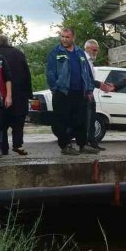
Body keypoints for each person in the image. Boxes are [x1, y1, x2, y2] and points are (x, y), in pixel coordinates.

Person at [45, 28, 99, 156]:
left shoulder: (80, 52)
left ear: (73, 38)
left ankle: (82, 145)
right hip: (62, 92)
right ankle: (65, 146)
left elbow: (87, 72)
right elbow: (50, 73)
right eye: (62, 36)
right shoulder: (55, 52)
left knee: (80, 120)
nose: (64, 39)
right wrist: (55, 88)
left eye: (67, 37)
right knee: (62, 121)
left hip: (79, 92)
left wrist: (89, 89)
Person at [0, 35, 32, 156]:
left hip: (0, 94)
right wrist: (29, 93)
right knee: (18, 121)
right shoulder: (18, 54)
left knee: (2, 123)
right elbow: (27, 74)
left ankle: (3, 147)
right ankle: (17, 144)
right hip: (20, 94)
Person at [82, 39, 114, 151]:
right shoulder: (82, 60)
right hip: (84, 94)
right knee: (86, 120)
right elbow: (85, 79)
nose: (96, 52)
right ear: (87, 48)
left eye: (97, 50)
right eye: (94, 50)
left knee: (91, 119)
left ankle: (92, 142)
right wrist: (100, 85)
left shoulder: (90, 62)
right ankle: (85, 143)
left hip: (90, 93)